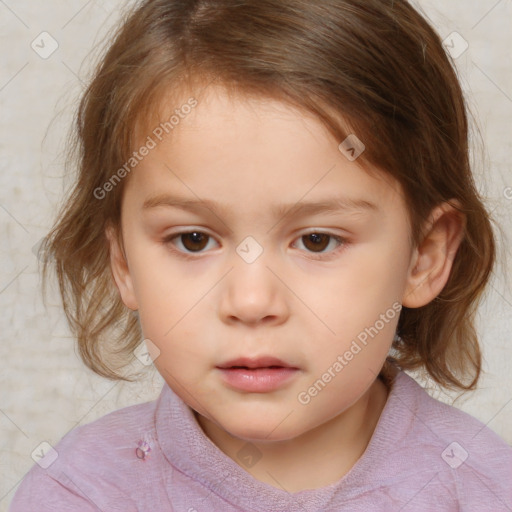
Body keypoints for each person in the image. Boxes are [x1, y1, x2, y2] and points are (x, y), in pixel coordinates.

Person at [9, 0, 512, 510]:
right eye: (194, 240)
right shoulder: (78, 494)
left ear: (423, 256)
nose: (251, 302)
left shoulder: (482, 490)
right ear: (123, 262)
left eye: (317, 240)